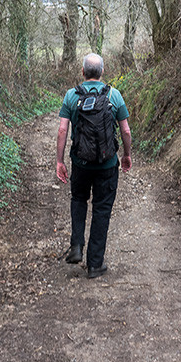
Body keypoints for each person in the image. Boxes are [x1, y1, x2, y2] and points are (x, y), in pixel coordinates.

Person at [56, 53, 131, 278]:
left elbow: (62, 130)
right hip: (107, 164)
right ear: (102, 72)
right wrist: (126, 155)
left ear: (83, 72)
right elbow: (125, 130)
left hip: (80, 163)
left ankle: (77, 246)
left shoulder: (71, 96)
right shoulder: (114, 95)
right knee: (102, 209)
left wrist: (59, 161)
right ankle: (95, 264)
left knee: (79, 199)